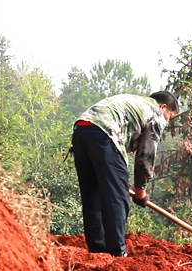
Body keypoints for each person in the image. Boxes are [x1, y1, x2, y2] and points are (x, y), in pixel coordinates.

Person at [71, 91, 178, 257]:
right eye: (170, 117)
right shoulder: (156, 112)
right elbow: (146, 156)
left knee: (93, 195)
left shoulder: (135, 102)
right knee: (117, 196)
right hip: (105, 133)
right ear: (163, 106)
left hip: (81, 130)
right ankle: (117, 252)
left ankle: (97, 251)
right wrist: (140, 191)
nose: (167, 122)